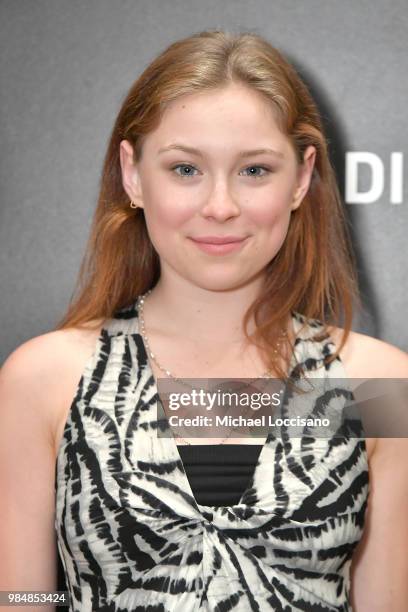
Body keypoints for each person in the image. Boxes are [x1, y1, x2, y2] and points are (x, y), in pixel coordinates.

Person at [1, 28, 407, 612]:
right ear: (133, 174)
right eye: (186, 169)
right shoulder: (44, 379)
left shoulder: (377, 385)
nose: (220, 205)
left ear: (300, 178)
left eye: (254, 170)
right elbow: (18, 595)